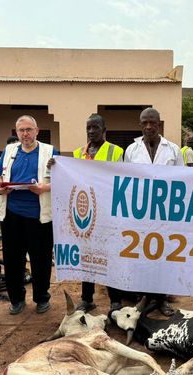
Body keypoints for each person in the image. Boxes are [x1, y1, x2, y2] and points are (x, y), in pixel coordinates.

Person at [0, 115, 58, 315]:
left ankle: (41, 297)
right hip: (12, 215)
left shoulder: (49, 151)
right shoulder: (10, 151)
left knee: (41, 259)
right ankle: (17, 299)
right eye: (21, 130)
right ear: (16, 133)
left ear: (37, 131)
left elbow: (62, 179)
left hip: (39, 216)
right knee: (13, 260)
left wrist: (44, 187)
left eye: (29, 129)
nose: (25, 134)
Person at [124, 107, 183, 316]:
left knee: (163, 256)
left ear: (159, 124)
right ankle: (142, 297)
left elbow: (183, 181)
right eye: (144, 123)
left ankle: (161, 299)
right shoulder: (131, 150)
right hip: (140, 213)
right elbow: (127, 182)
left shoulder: (173, 150)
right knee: (141, 254)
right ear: (140, 125)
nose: (148, 126)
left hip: (165, 213)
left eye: (152, 123)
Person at [72, 114, 124, 312]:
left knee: (111, 256)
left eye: (95, 127)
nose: (91, 131)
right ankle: (87, 298)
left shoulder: (116, 151)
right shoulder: (78, 153)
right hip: (86, 214)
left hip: (109, 213)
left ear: (104, 130)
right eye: (88, 128)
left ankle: (115, 299)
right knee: (87, 257)